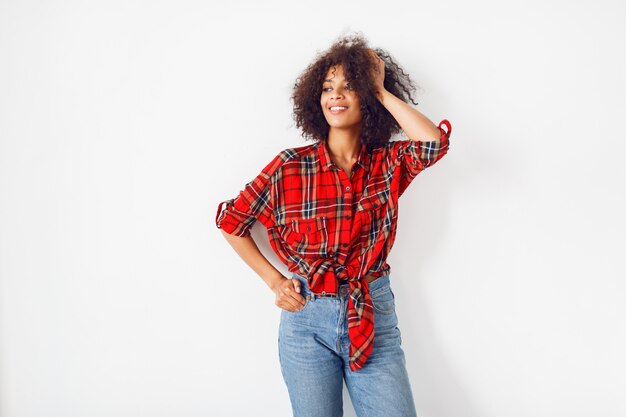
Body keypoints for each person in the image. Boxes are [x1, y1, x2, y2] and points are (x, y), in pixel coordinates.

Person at [215, 33, 451, 417]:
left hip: (372, 312)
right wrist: (275, 281)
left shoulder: (387, 164)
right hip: (305, 318)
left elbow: (433, 144)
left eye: (349, 86)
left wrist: (379, 89)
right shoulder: (289, 166)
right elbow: (231, 221)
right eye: (328, 88)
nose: (335, 95)